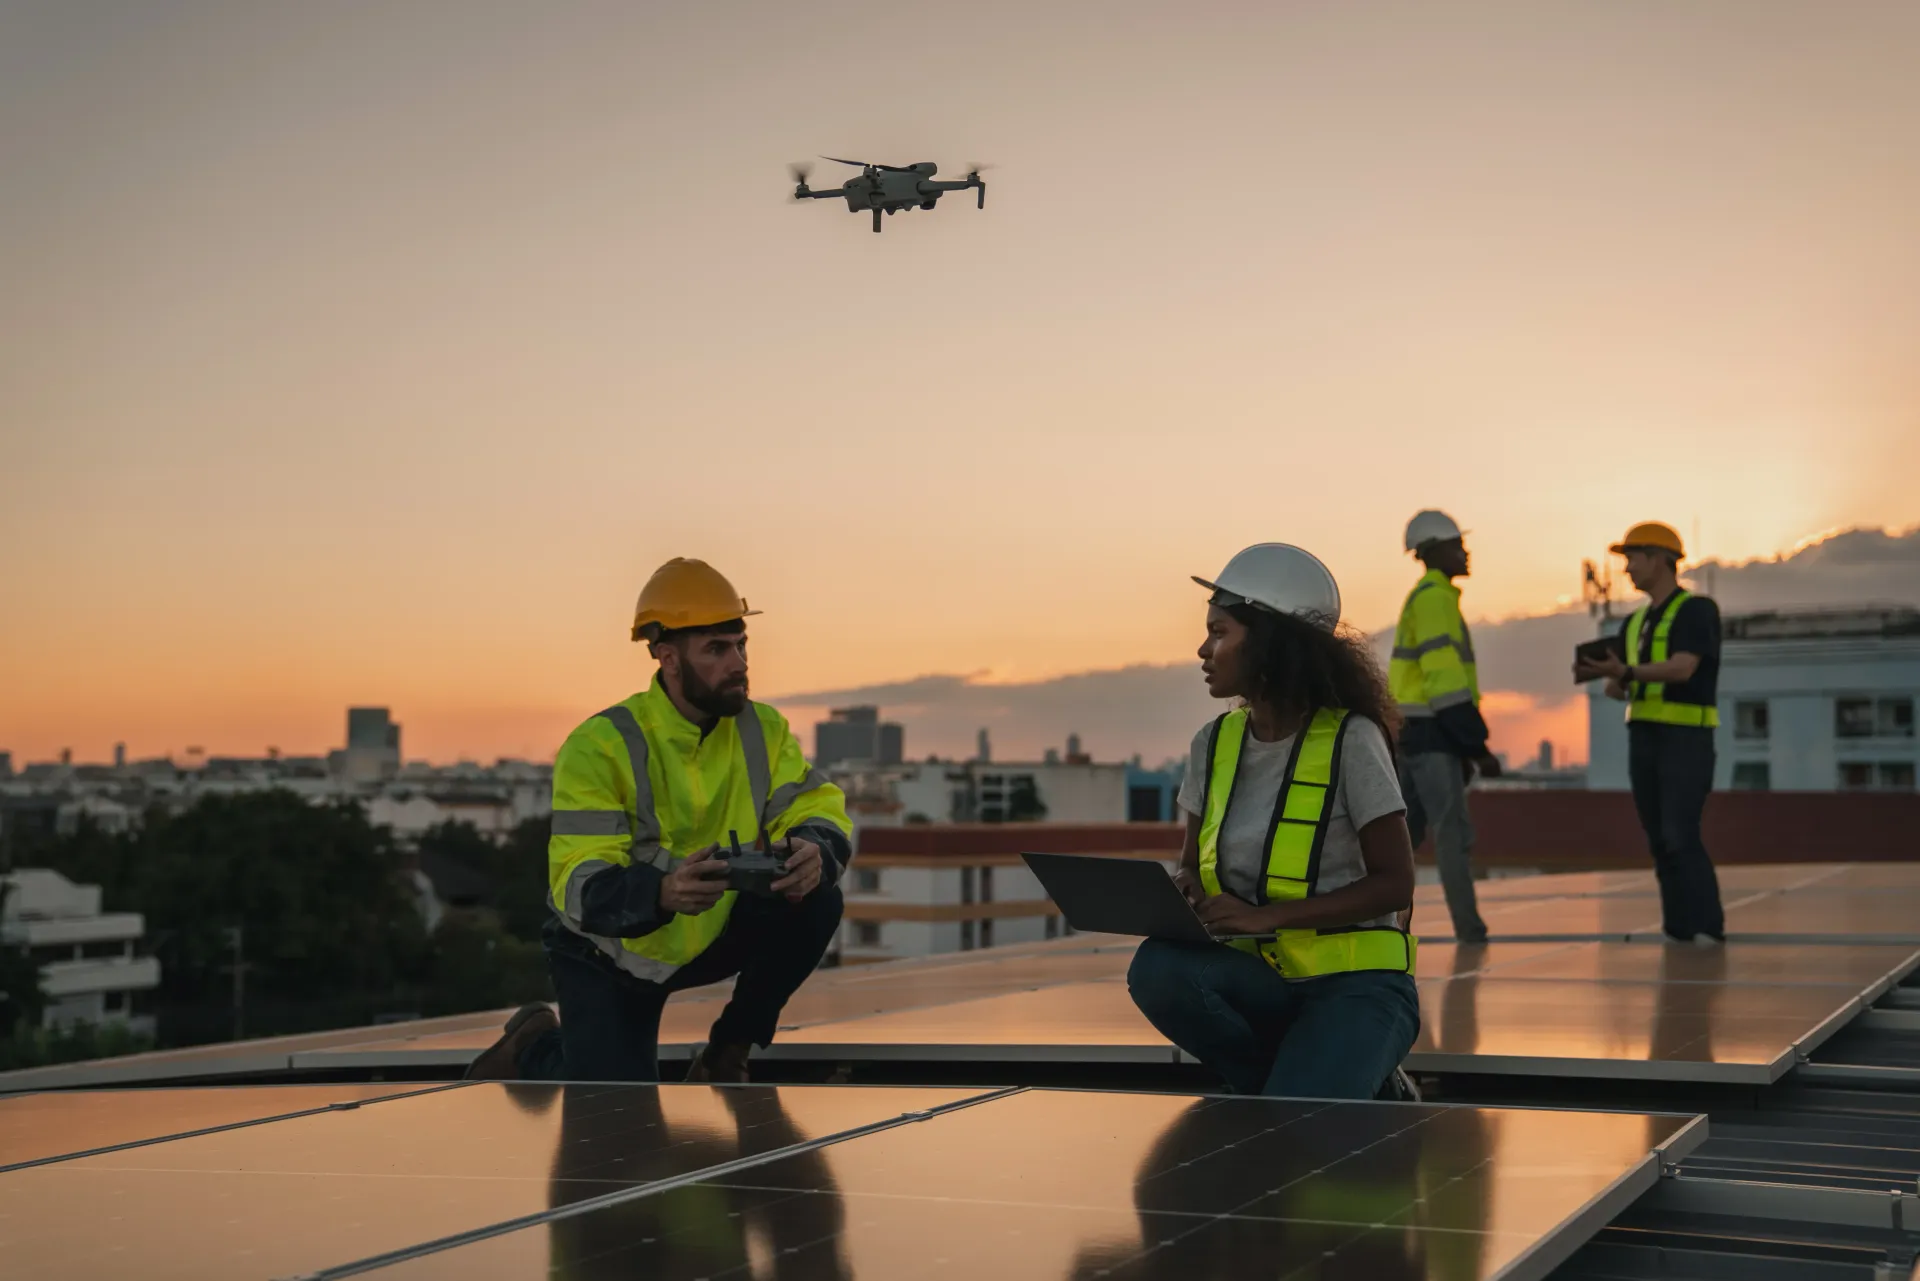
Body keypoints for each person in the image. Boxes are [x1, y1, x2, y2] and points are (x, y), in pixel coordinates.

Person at [466, 557, 854, 1083]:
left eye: (740, 643)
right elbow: (577, 883)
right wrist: (662, 893)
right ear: (668, 658)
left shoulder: (762, 728)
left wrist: (815, 850)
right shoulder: (599, 744)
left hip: (705, 927)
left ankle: (726, 1055)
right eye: (716, 649)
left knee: (817, 897)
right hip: (609, 951)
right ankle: (533, 1045)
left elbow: (816, 805)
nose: (737, 662)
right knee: (618, 1109)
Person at [1127, 543, 1420, 1100]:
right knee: (1159, 970)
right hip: (1259, 983)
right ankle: (1323, 1084)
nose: (1202, 649)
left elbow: (1394, 884)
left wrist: (1268, 918)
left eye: (1219, 633)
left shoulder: (1351, 739)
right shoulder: (1211, 745)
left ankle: (1324, 1081)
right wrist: (1182, 890)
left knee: (1297, 1123)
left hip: (1355, 988)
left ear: (1269, 642)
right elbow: (1190, 863)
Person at [1574, 522, 1725, 944]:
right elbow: (1614, 687)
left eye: (1633, 559)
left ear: (1661, 560)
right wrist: (1610, 675)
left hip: (1685, 740)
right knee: (1660, 838)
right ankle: (1678, 930)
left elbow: (1684, 667)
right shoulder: (1634, 622)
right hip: (1644, 740)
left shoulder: (1697, 611)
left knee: (1680, 833)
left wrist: (1625, 671)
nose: (1627, 569)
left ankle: (1707, 928)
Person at [1390, 510, 1502, 943]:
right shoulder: (1435, 599)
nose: (1465, 551)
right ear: (1434, 551)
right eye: (1457, 544)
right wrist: (1476, 747)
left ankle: (1372, 922)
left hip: (1415, 734)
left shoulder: (1426, 598)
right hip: (1433, 734)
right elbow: (1444, 680)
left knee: (1401, 837)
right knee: (1452, 834)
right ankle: (1470, 931)